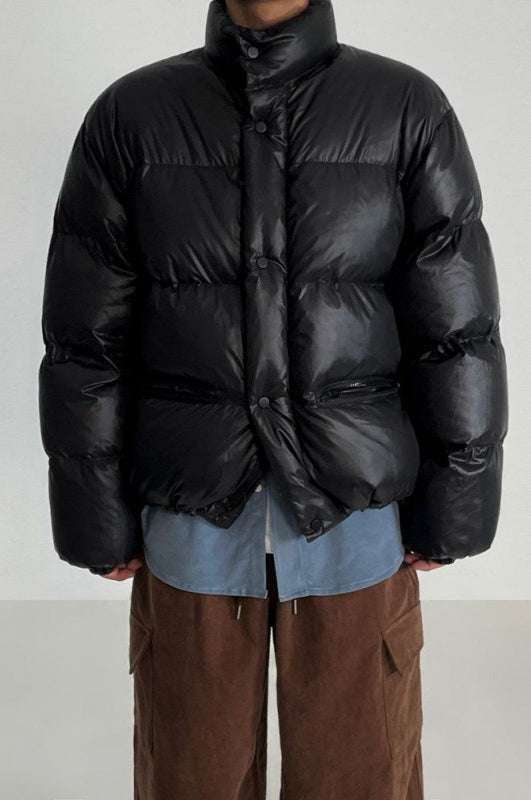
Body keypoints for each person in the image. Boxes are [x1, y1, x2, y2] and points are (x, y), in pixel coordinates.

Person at [38, 0, 508, 797]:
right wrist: (93, 517)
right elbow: (86, 340)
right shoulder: (133, 115)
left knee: (360, 777)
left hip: (354, 516)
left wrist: (456, 505)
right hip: (190, 511)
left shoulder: (403, 107)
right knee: (191, 777)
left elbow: (455, 330)